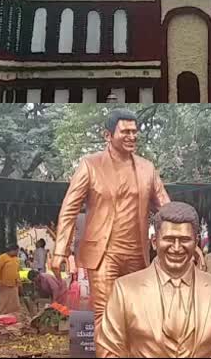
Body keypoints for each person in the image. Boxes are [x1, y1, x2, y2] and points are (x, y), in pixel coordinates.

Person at [52, 108, 171, 334]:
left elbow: (166, 206)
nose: (132, 136)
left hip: (138, 254)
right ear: (108, 135)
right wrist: (60, 250)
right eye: (125, 131)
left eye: (135, 132)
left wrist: (187, 238)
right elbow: (69, 208)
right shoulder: (90, 165)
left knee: (137, 315)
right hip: (104, 253)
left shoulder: (147, 168)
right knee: (106, 315)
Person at [96, 202, 211, 358]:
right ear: (154, 242)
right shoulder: (125, 289)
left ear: (196, 242)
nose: (177, 247)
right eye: (169, 239)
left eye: (185, 239)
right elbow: (109, 351)